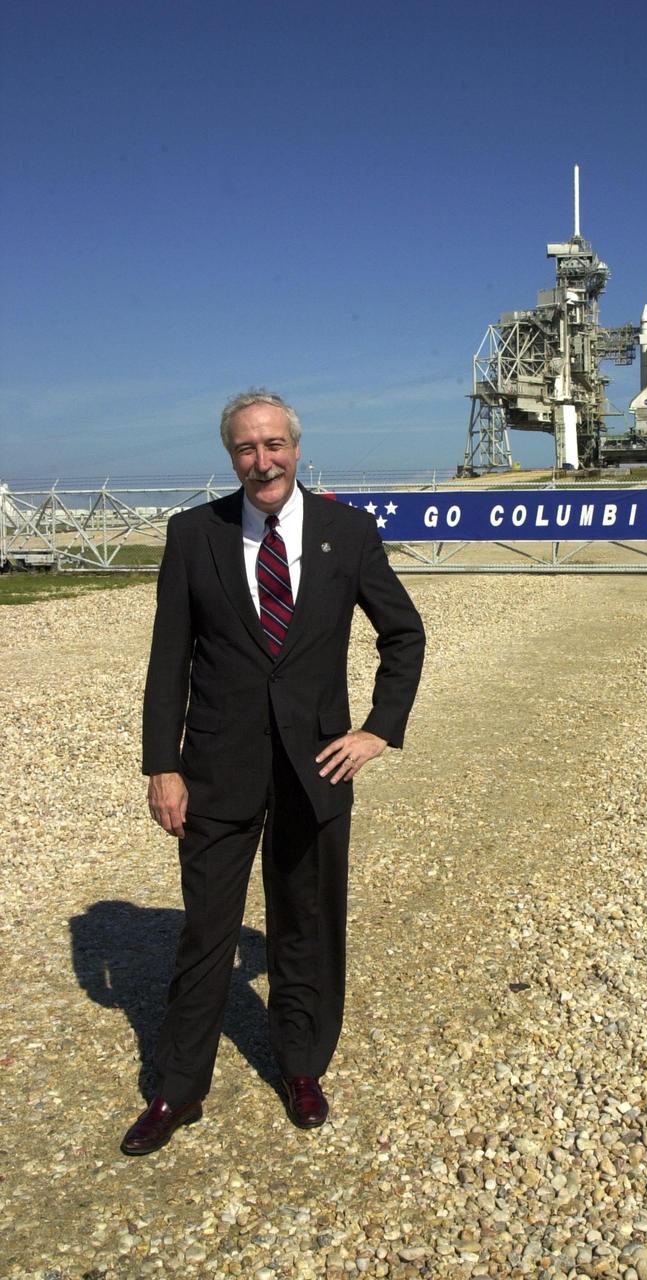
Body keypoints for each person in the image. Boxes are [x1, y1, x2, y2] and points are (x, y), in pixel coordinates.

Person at [120, 389, 425, 1155]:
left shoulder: (347, 533)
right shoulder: (194, 534)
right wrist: (162, 765)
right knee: (205, 932)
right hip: (216, 769)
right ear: (231, 456)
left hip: (315, 768)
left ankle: (301, 1065)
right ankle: (178, 1088)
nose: (262, 461)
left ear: (295, 447)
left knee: (304, 926)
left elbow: (403, 634)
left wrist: (377, 730)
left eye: (273, 444)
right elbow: (168, 660)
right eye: (246, 449)